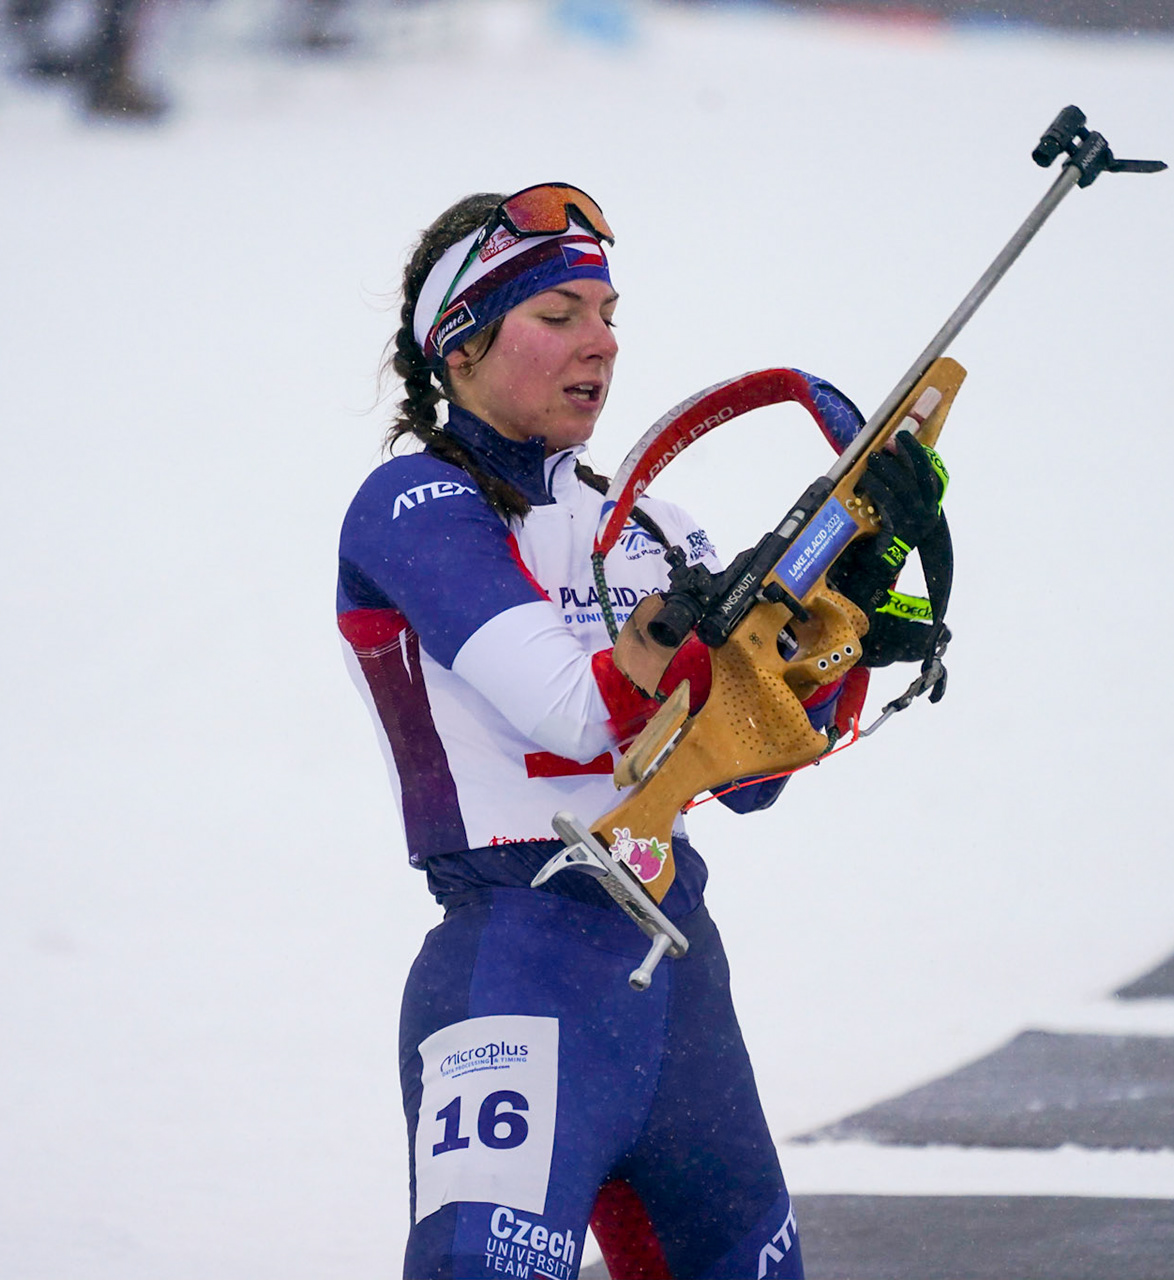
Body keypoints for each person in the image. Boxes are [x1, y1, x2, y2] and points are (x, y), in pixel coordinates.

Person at [338, 185, 946, 1280]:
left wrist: (847, 595)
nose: (601, 343)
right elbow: (576, 713)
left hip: (677, 975)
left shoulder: (651, 527)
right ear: (461, 342)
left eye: (609, 314)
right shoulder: (411, 503)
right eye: (559, 314)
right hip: (517, 958)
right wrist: (709, 634)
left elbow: (752, 772)